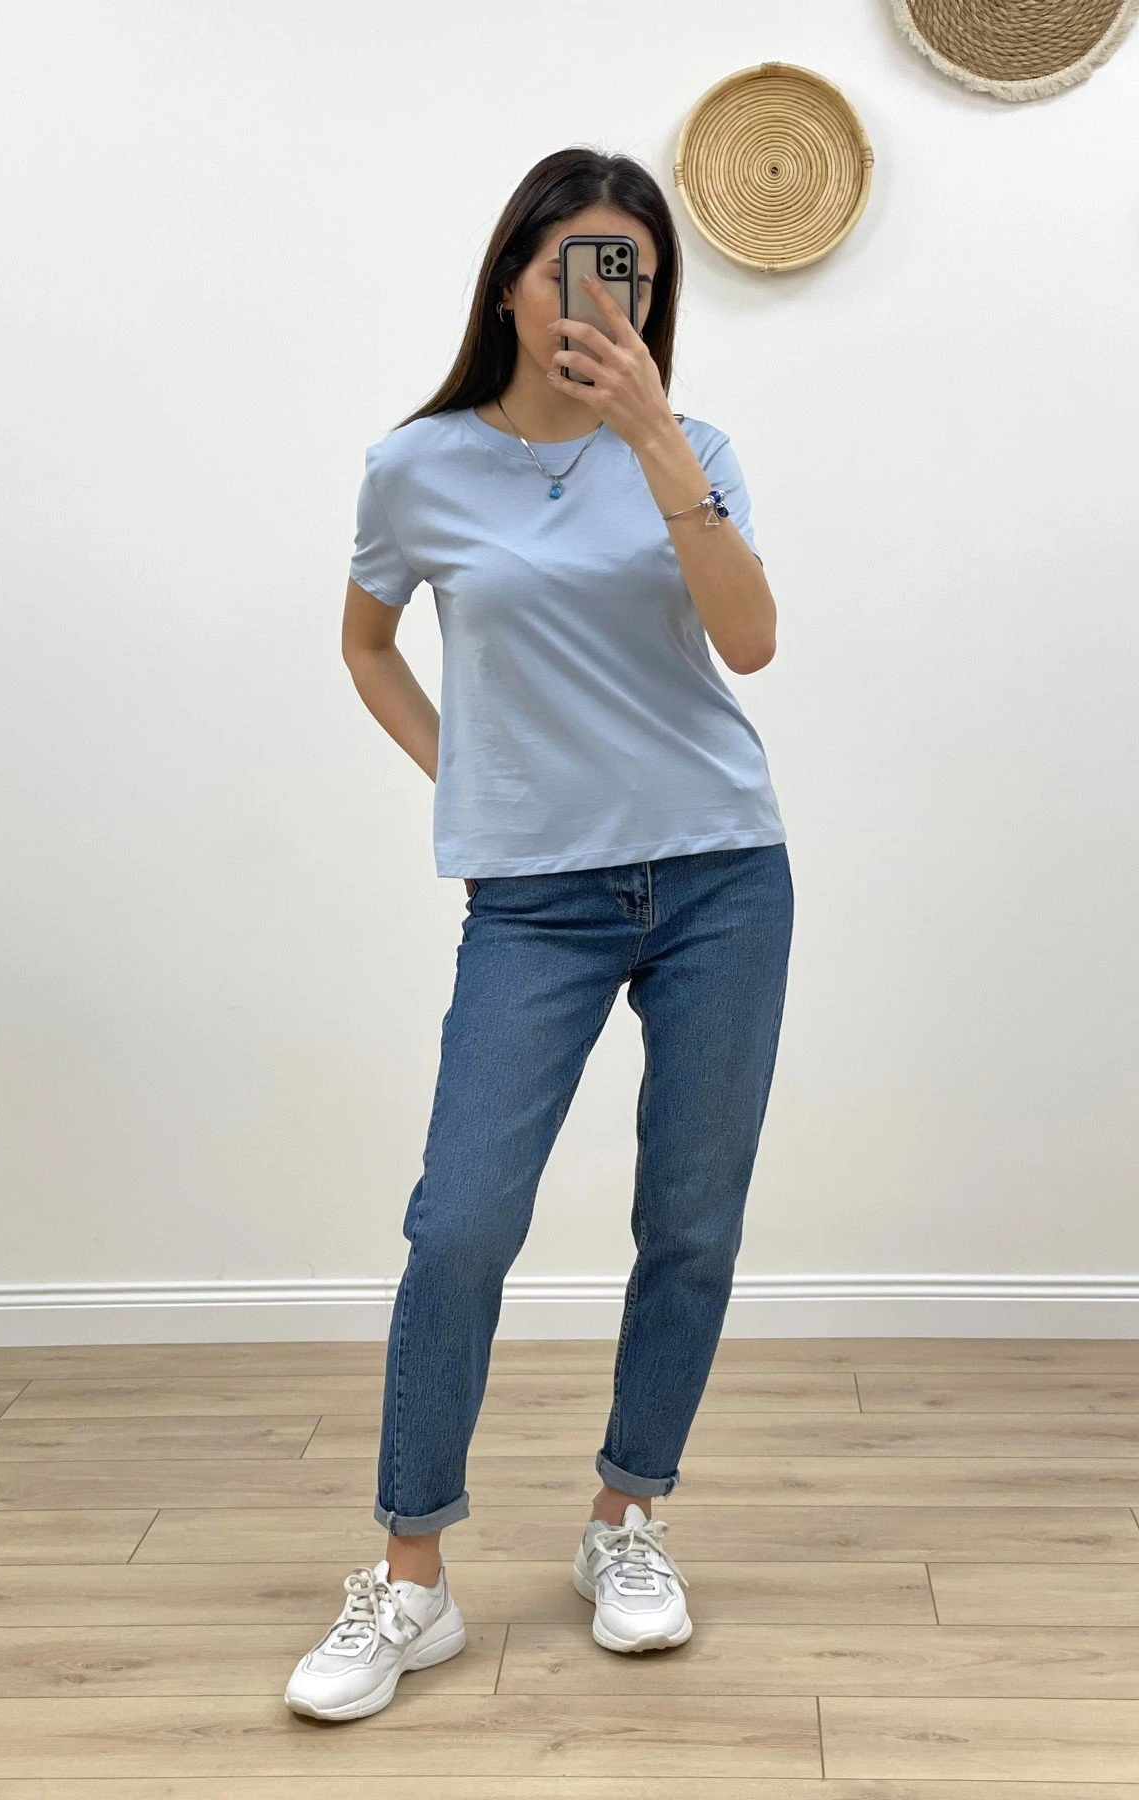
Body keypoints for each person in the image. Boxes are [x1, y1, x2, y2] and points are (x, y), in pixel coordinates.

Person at [285, 146, 793, 1723]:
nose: (605, 293)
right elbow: (368, 646)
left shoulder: (691, 448)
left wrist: (654, 437)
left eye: (635, 268)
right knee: (460, 1222)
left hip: (721, 874)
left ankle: (626, 1517)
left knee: (690, 1221)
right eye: (580, 260)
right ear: (513, 279)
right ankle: (412, 1581)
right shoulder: (416, 465)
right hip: (536, 901)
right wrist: (471, 776)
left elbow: (752, 642)